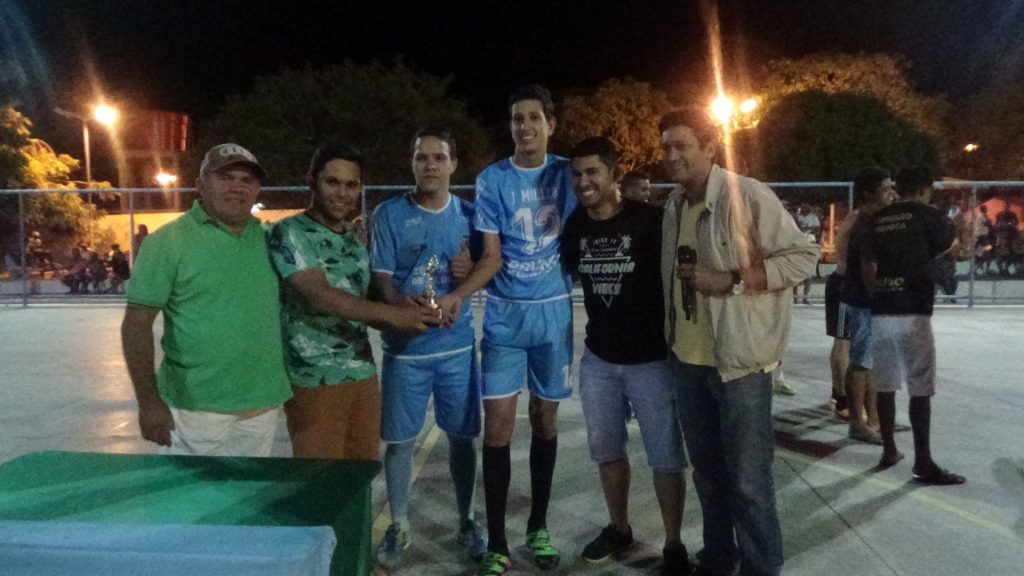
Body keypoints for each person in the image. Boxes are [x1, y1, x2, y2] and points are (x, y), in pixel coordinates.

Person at [658, 109, 818, 576]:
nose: (672, 155)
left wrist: (731, 278)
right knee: (708, 475)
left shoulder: (746, 195)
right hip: (688, 361)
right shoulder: (673, 206)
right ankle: (718, 557)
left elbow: (804, 257)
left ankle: (761, 566)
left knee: (749, 480)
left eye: (682, 146)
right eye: (666, 147)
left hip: (740, 365)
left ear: (710, 148)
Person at [451, 84, 576, 576]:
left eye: (533, 117)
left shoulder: (569, 173)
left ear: (550, 124)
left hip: (553, 316)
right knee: (499, 427)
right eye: (516, 118)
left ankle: (538, 527)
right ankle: (499, 541)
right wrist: (459, 294)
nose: (524, 126)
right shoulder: (492, 180)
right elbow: (491, 255)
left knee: (545, 421)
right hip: (505, 316)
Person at [561, 137, 690, 574]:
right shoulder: (575, 226)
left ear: (614, 173)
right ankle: (619, 528)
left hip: (652, 361)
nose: (583, 181)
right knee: (607, 452)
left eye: (592, 172)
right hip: (599, 360)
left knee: (666, 457)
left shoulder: (651, 222)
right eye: (576, 174)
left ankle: (673, 543)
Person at [267, 141, 441, 461]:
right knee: (321, 479)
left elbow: (362, 297)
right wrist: (395, 317)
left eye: (351, 185)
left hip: (362, 373)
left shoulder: (352, 236)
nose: (342, 193)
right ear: (312, 181)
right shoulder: (289, 232)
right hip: (315, 380)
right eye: (332, 182)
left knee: (362, 472)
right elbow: (320, 296)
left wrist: (406, 307)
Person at [121, 143, 292, 456]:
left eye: (247, 180)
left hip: (261, 406)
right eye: (225, 178)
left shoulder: (272, 241)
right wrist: (148, 401)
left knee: (248, 488)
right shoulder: (168, 242)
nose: (237, 187)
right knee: (189, 489)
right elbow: (136, 324)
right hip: (194, 410)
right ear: (200, 185)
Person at [368, 128, 486, 568]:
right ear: (412, 163)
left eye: (439, 157)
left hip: (456, 348)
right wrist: (401, 305)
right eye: (422, 157)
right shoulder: (389, 214)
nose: (430, 165)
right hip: (406, 351)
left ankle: (467, 519)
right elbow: (381, 279)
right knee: (400, 443)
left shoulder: (471, 215)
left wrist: (471, 270)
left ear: (454, 163)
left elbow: (490, 266)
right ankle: (399, 524)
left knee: (462, 439)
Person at [865, 165, 965, 484]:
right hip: (914, 309)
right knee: (920, 387)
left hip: (881, 310)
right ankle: (923, 461)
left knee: (885, 385)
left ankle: (889, 450)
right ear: (924, 189)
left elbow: (868, 264)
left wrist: (878, 294)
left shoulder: (877, 218)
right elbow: (951, 251)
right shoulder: (929, 215)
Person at [841, 167, 895, 444]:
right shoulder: (865, 226)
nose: (892, 194)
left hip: (864, 301)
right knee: (860, 363)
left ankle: (874, 419)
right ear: (868, 193)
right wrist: (882, 300)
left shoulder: (871, 221)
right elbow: (868, 268)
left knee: (869, 362)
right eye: (885, 189)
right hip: (864, 302)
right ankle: (856, 423)